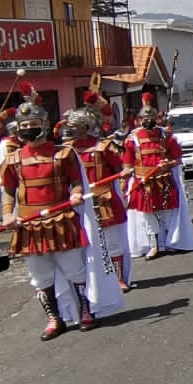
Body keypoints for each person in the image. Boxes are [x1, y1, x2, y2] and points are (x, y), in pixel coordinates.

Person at [0, 83, 97, 340]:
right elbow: (8, 189)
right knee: (40, 276)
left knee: (74, 270)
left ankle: (85, 311)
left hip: (61, 220)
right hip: (29, 225)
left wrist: (76, 194)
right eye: (24, 125)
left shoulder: (64, 153)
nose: (29, 129)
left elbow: (76, 181)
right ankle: (55, 319)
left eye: (33, 124)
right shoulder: (12, 159)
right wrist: (7, 214)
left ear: (43, 123)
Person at [66, 93, 133, 293]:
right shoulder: (65, 151)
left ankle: (119, 278)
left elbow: (121, 170)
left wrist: (123, 179)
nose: (70, 130)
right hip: (77, 201)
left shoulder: (103, 147)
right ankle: (92, 281)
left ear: (86, 128)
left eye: (75, 126)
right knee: (83, 244)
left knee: (112, 241)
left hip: (103, 199)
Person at [123, 93, 193, 261]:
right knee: (147, 215)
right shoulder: (131, 139)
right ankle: (154, 245)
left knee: (167, 212)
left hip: (163, 180)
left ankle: (169, 242)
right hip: (143, 181)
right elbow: (128, 164)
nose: (147, 120)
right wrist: (125, 175)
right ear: (139, 119)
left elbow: (177, 159)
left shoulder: (166, 136)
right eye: (144, 118)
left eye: (151, 117)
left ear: (156, 118)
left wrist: (168, 164)